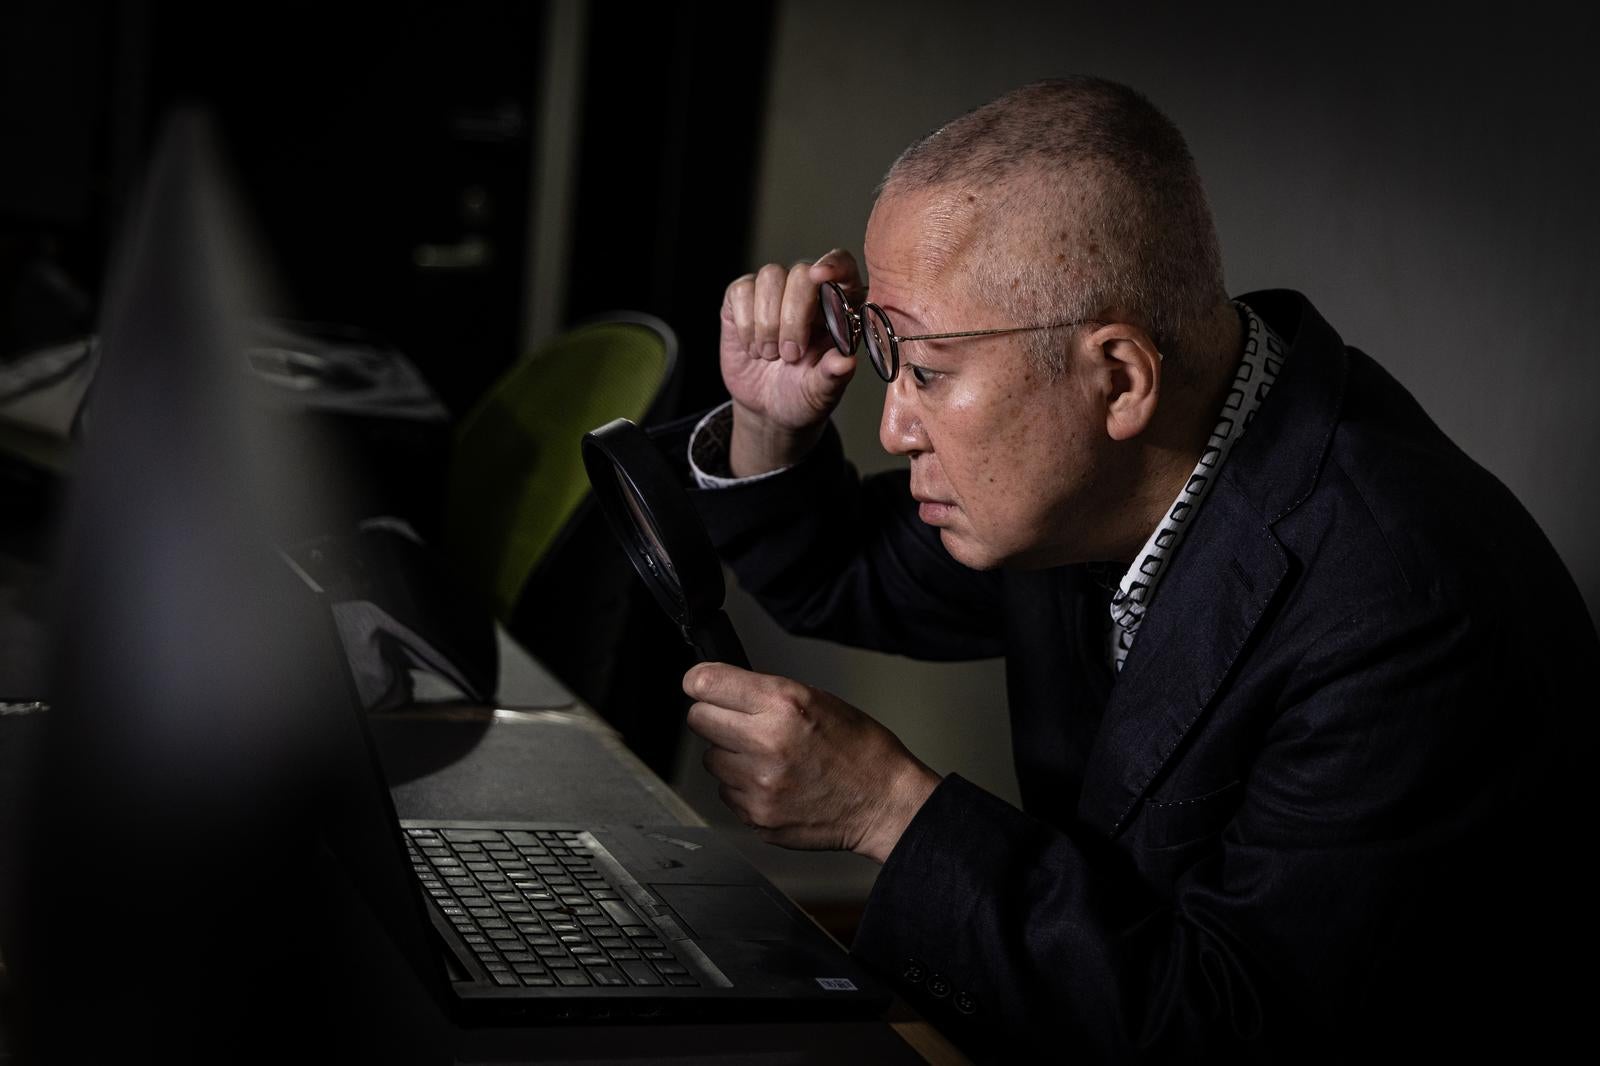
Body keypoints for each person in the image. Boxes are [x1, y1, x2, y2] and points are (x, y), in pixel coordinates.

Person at [655, 77, 1594, 1060]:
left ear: (1119, 378)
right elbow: (841, 573)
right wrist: (767, 416)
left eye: (926, 371)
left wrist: (891, 809)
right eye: (887, 358)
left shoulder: (1402, 612)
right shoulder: (1103, 468)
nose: (892, 427)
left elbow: (1230, 1033)